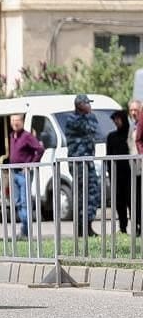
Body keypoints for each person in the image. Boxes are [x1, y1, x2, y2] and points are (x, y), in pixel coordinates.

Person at [64, 94, 100, 237]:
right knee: (81, 194)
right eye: (87, 104)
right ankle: (81, 227)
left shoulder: (88, 117)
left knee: (92, 193)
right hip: (78, 162)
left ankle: (88, 225)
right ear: (79, 105)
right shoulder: (72, 120)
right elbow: (89, 128)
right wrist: (89, 116)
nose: (90, 106)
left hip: (88, 161)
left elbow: (95, 126)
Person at [8, 114, 44, 238]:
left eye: (17, 120)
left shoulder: (27, 136)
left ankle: (26, 231)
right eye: (12, 121)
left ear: (22, 122)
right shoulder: (12, 136)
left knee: (24, 202)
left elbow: (40, 149)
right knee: (17, 202)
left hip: (24, 173)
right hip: (14, 172)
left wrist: (31, 164)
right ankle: (24, 230)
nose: (15, 123)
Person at [108, 110, 140, 236]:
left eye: (118, 119)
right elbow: (109, 156)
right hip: (117, 175)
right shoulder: (111, 137)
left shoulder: (131, 134)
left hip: (130, 174)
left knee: (133, 202)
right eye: (114, 119)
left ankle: (138, 226)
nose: (116, 122)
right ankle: (122, 228)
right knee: (119, 203)